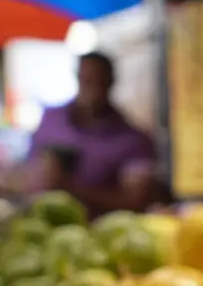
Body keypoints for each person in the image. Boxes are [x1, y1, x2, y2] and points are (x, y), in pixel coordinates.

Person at [21, 52, 157, 213]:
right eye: (86, 80)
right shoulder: (50, 120)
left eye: (99, 81)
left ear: (111, 82)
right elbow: (27, 172)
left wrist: (70, 187)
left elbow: (136, 202)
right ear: (77, 78)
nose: (93, 89)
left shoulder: (134, 140)